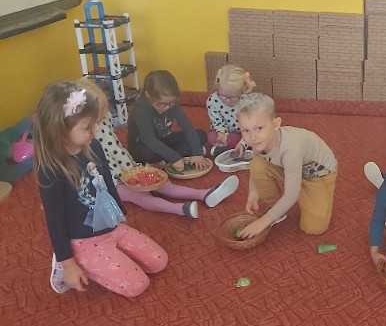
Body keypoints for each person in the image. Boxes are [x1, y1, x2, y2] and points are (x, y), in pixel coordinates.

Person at [35, 81, 168, 297]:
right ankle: (76, 263)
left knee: (159, 262)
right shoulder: (51, 170)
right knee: (137, 285)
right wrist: (68, 263)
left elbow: (107, 184)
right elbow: (55, 220)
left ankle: (107, 257)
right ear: (60, 130)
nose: (95, 131)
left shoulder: (94, 147)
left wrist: (120, 216)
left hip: (111, 226)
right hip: (83, 240)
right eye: (87, 127)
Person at [79, 79, 238, 219]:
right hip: (107, 182)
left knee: (161, 184)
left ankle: (204, 194)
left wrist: (130, 167)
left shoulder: (104, 119)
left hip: (125, 166)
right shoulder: (80, 135)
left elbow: (114, 145)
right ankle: (180, 209)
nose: (97, 123)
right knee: (140, 196)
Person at [237, 94, 337, 238]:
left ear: (275, 124)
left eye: (259, 128)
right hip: (290, 168)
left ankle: (309, 194)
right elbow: (256, 161)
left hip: (318, 174)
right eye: (246, 130)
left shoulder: (291, 149)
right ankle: (277, 207)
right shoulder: (259, 141)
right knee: (257, 165)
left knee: (314, 228)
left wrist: (263, 222)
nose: (252, 137)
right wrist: (253, 192)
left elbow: (291, 194)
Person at [127, 70, 211, 172]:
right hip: (143, 145)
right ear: (148, 96)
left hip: (163, 139)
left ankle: (164, 160)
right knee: (147, 153)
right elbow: (149, 139)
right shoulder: (140, 110)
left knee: (200, 134)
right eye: (161, 104)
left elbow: (187, 127)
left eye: (171, 103)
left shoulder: (172, 104)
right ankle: (169, 158)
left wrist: (197, 152)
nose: (167, 107)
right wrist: (174, 158)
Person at [206, 64, 257, 157]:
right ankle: (232, 146)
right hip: (224, 132)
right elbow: (217, 122)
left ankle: (238, 146)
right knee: (211, 137)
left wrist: (243, 141)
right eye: (222, 95)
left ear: (242, 90)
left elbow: (252, 124)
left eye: (233, 97)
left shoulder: (247, 101)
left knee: (260, 133)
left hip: (244, 132)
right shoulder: (212, 101)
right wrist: (222, 134)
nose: (227, 100)